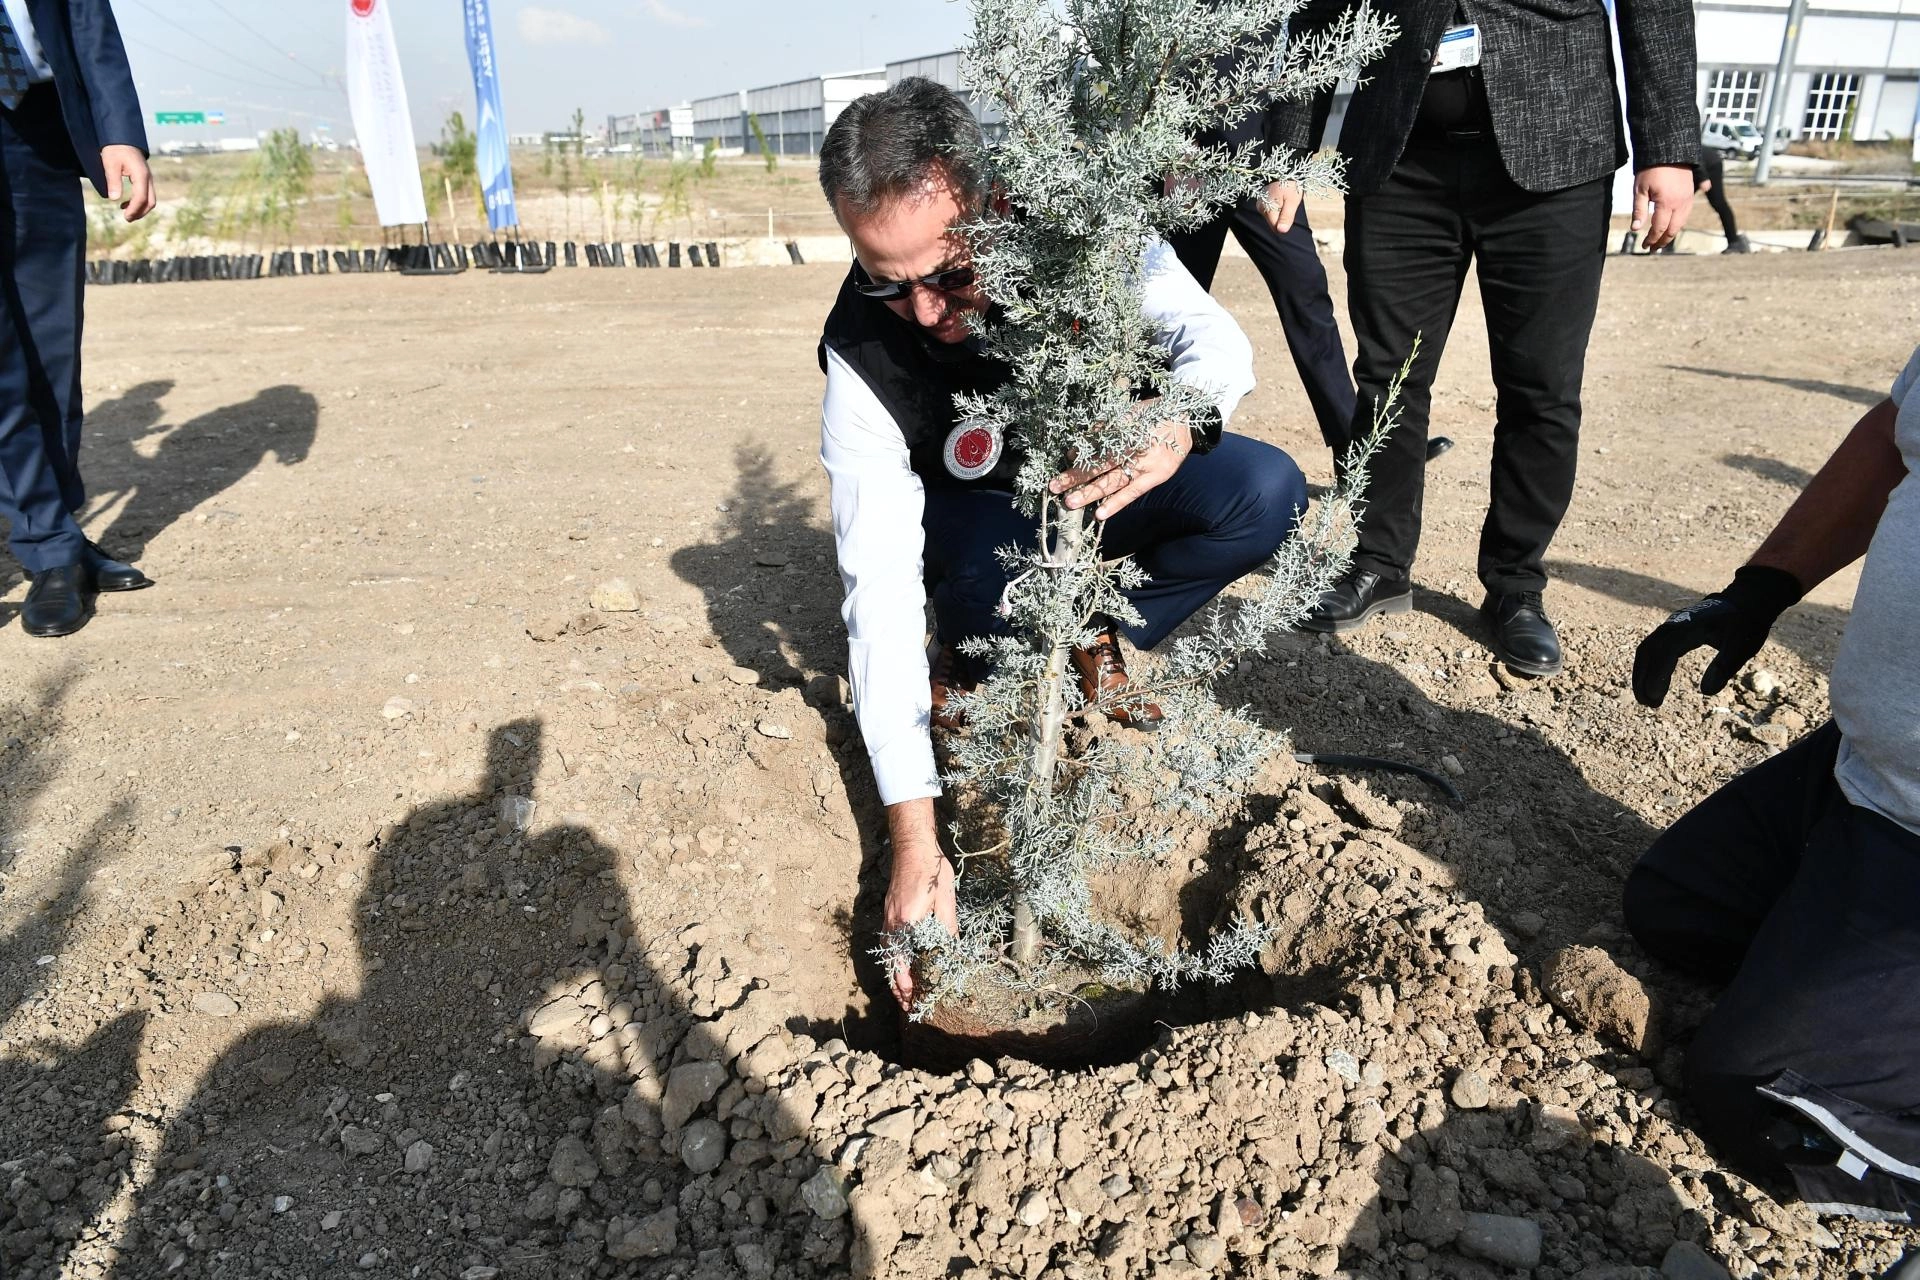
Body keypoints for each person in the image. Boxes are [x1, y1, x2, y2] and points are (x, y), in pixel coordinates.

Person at [816, 78, 1307, 1008]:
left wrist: (1177, 419)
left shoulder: (1077, 225)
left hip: (1094, 484)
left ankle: (1098, 633)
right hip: (974, 522)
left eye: (948, 275)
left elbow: (1213, 339)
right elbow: (874, 585)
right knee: (984, 576)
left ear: (994, 203)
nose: (924, 311)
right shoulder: (861, 356)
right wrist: (916, 843)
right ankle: (971, 660)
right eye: (887, 282)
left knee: (1264, 491)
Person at [1275, 0, 1698, 677]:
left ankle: (1515, 585)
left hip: (1557, 148)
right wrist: (1287, 147)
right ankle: (1379, 563)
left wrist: (1669, 147)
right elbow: (1321, 10)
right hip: (1399, 154)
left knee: (1542, 387)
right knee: (1388, 378)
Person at [1625, 348, 1920, 1223]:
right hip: (1863, 771)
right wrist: (1763, 587)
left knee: (1759, 1095)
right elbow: (1899, 430)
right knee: (1678, 906)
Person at [1, 0, 155, 638]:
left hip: (40, 129)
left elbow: (88, 19)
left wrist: (120, 131)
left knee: (51, 351)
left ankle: (56, 532)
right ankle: (48, 543)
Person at [1691, 142, 1750, 253]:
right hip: (1696, 167)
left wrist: (1703, 177)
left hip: (1709, 165)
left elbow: (1693, 154)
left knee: (1718, 203)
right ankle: (1667, 244)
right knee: (1676, 205)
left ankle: (1734, 242)